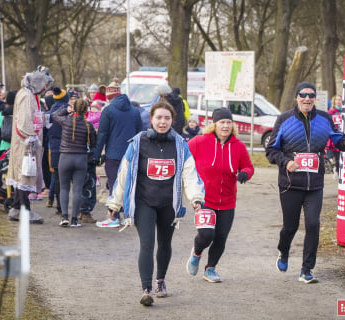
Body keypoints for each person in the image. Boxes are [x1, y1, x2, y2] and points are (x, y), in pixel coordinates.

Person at [105, 101, 204, 306]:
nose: (162, 122)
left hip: (169, 203)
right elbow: (124, 173)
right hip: (144, 202)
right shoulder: (138, 142)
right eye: (159, 117)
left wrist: (195, 198)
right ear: (151, 119)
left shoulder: (180, 144)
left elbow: (190, 172)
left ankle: (160, 281)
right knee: (147, 244)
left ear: (172, 121)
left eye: (167, 118)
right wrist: (114, 203)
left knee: (165, 244)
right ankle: (146, 289)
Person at [266, 82, 345, 283]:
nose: (307, 98)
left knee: (314, 224)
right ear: (297, 97)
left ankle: (306, 270)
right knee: (290, 227)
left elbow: (338, 141)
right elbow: (271, 151)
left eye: (311, 95)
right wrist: (286, 161)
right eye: (303, 95)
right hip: (290, 183)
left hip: (315, 184)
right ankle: (283, 251)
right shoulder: (285, 119)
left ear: (315, 98)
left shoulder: (324, 118)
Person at [186, 108, 254, 283]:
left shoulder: (238, 146)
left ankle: (210, 269)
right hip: (205, 198)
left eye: (228, 123)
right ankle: (196, 252)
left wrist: (245, 173)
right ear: (214, 124)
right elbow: (184, 158)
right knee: (207, 234)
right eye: (222, 122)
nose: (225, 126)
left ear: (233, 125)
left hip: (227, 201)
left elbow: (248, 166)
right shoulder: (199, 142)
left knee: (221, 237)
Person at [6, 65, 54, 224]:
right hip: (25, 144)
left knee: (23, 175)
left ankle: (16, 208)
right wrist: (31, 137)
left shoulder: (30, 95)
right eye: (45, 85)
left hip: (27, 143)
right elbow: (24, 121)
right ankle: (25, 210)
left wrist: (45, 119)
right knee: (24, 175)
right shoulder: (26, 96)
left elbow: (34, 116)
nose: (46, 88)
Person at [93, 78, 143, 228]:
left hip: (113, 155)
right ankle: (129, 215)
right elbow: (140, 133)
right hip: (131, 154)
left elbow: (102, 134)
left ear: (108, 97)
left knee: (114, 184)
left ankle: (114, 216)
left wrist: (96, 155)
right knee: (129, 184)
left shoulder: (108, 110)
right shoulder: (134, 111)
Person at [52, 99, 96, 227]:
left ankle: (64, 217)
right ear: (86, 110)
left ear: (74, 108)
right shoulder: (89, 126)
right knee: (77, 190)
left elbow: (54, 115)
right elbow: (93, 144)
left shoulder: (66, 121)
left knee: (64, 189)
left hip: (65, 158)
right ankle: (75, 220)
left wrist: (66, 109)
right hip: (81, 159)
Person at [45, 87, 70, 213]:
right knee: (67, 179)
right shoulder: (69, 111)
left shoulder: (49, 114)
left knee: (57, 178)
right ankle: (67, 208)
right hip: (68, 149)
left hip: (54, 148)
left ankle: (60, 207)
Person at [325, 95, 344, 174]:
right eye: (337, 100)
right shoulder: (331, 112)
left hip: (344, 135)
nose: (339, 101)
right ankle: (337, 170)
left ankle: (340, 170)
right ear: (334, 101)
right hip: (335, 137)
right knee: (337, 155)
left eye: (340, 99)